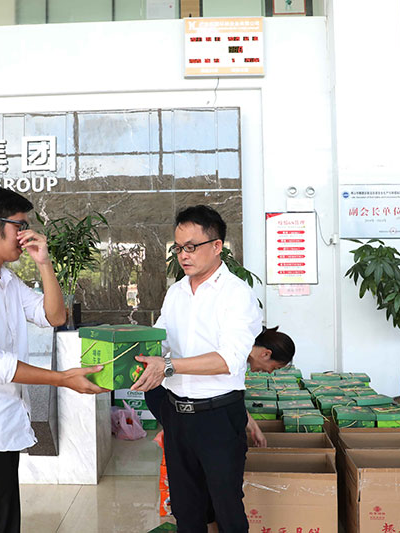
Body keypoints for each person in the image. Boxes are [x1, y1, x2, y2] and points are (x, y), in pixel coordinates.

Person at [0, 186, 104, 533]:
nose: (25, 234)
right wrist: (63, 378)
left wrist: (44, 263)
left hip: (1, 426)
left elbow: (54, 316)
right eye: (20, 225)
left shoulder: (7, 281)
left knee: (1, 522)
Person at [131, 205, 262, 533]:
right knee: (186, 509)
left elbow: (229, 359)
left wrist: (168, 366)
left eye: (191, 246)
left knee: (226, 508)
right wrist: (128, 359)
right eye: (178, 248)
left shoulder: (237, 294)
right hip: (176, 415)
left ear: (217, 246)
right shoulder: (176, 292)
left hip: (217, 417)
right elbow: (161, 341)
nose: (183, 255)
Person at [145, 326, 296, 446]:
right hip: (166, 392)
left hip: (186, 398)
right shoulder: (227, 352)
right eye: (274, 367)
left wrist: (253, 427)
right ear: (266, 354)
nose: (270, 372)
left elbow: (227, 394)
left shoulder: (238, 357)